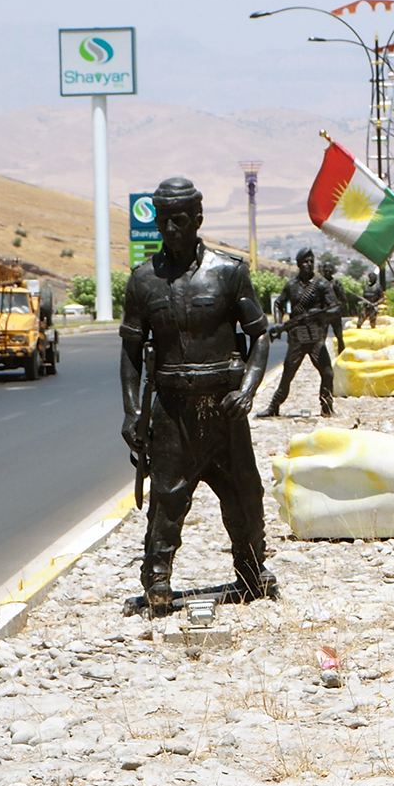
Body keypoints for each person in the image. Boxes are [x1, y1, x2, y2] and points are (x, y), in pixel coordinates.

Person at [119, 177, 274, 612]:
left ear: (198, 220)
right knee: (167, 499)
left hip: (225, 408)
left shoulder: (229, 271)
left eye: (179, 220)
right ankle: (158, 578)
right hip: (172, 410)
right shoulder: (143, 281)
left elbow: (260, 337)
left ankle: (250, 571)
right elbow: (130, 353)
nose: (170, 229)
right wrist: (133, 413)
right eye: (163, 221)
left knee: (245, 494)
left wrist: (247, 390)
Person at [260, 248, 340, 417]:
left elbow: (336, 308)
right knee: (288, 373)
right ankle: (274, 406)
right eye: (305, 261)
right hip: (296, 336)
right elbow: (278, 304)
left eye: (311, 261)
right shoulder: (291, 285)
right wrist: (280, 323)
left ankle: (326, 407)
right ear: (298, 263)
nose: (309, 264)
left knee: (327, 372)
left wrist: (321, 314)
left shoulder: (321, 284)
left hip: (316, 336)